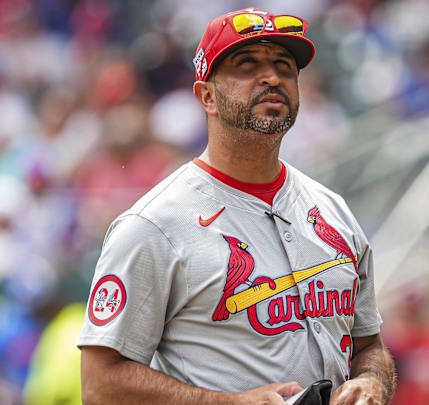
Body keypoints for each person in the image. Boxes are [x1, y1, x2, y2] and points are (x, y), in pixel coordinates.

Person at [77, 7, 396, 405]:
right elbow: (100, 386)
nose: (272, 77)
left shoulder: (333, 210)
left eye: (284, 65)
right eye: (247, 64)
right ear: (206, 95)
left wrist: (373, 381)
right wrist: (227, 403)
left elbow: (369, 346)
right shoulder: (153, 224)